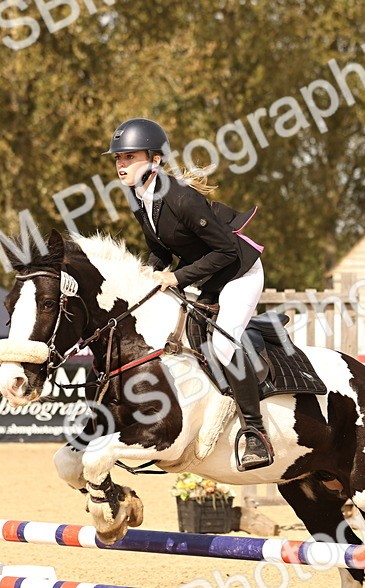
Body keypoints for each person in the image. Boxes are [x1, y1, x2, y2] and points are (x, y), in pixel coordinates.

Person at [104, 117, 273, 471]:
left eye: (129, 157)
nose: (121, 165)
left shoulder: (181, 198)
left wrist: (177, 277)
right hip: (207, 274)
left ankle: (255, 433)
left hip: (239, 273)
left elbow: (227, 251)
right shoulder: (139, 199)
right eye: (118, 159)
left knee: (224, 344)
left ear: (155, 159)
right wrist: (151, 271)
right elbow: (161, 250)